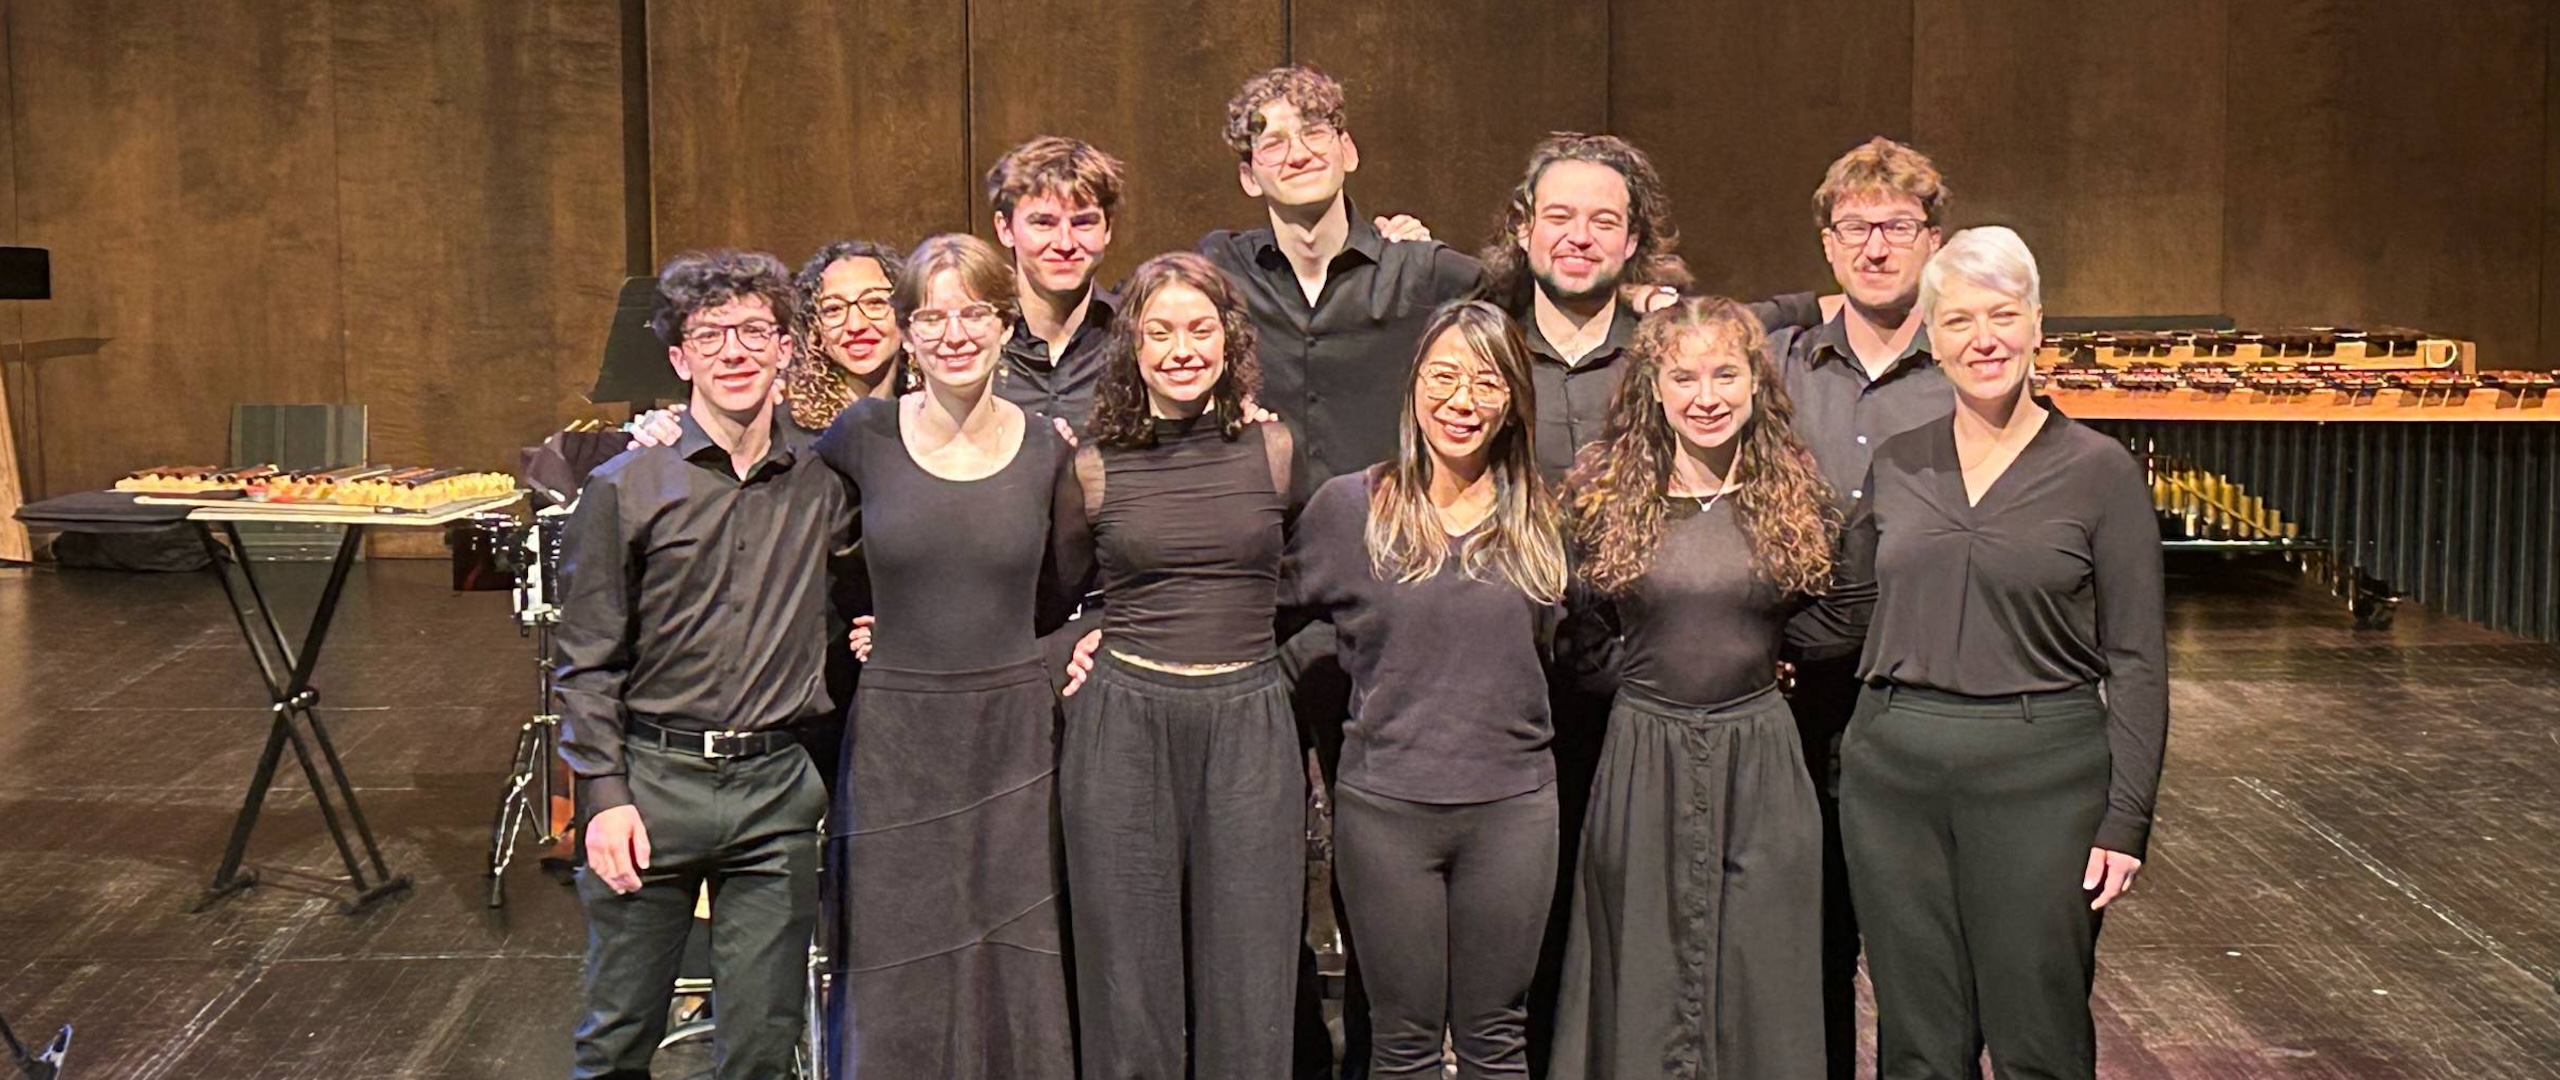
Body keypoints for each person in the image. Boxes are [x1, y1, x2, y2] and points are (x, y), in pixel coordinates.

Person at [1199, 64, 1488, 1079]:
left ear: (1349, 150)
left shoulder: (1425, 273)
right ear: (1249, 173)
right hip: (1256, 602)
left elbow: (1545, 297)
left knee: (1377, 863)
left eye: (1315, 131)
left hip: (1389, 604)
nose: (1297, 151)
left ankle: (1379, 1061)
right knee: (1256, 857)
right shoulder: (1215, 273)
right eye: (1271, 141)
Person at [1840, 226, 2165, 1080]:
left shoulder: (2100, 472)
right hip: (1893, 778)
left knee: (2038, 1034)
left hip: (2042, 779)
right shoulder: (1900, 464)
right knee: (1917, 1040)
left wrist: (2127, 819)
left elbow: (2137, 657)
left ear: (2037, 325)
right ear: (1931, 337)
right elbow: (1841, 610)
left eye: (2003, 315)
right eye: (1958, 321)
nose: (1983, 339)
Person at [1548, 296, 1868, 1080]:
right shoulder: (1604, 497)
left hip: (1760, 756)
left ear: (1756, 382)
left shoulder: (1795, 495)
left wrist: (1774, 658)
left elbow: (1846, 608)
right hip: (1642, 756)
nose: (1706, 396)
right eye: (1684, 377)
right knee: (1646, 966)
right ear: (1653, 389)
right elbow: (1575, 625)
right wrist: (1636, 678)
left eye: (1725, 374)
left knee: (1762, 966)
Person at [557, 249, 848, 1080]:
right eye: (710, 335)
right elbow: (586, 658)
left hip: (775, 794)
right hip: (654, 787)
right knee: (617, 1039)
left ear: (786, 348)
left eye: (754, 331)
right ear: (681, 359)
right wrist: (602, 796)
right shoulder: (625, 484)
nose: (734, 351)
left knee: (762, 1050)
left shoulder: (828, 477)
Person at [816, 233, 1088, 1080]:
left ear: (1006, 325)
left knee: (1016, 955)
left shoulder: (1048, 449)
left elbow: (1071, 589)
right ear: (906, 333)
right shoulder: (863, 434)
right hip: (897, 740)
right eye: (931, 318)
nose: (954, 334)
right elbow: (796, 532)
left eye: (974, 313)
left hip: (1014, 738)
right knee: (899, 955)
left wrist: (1057, 659)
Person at [1279, 300, 1570, 1079]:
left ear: (1513, 399)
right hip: (1387, 815)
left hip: (1512, 813)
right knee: (1402, 1044)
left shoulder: (1547, 514)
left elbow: (1593, 647)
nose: (1462, 400)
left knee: (1496, 1039)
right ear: (1413, 386)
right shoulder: (1351, 508)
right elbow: (1259, 618)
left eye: (1486, 382)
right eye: (1443, 376)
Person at [1050, 251, 1305, 1078]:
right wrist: (1079, 649)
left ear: (1230, 340)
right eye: (1160, 332)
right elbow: (1050, 600)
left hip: (1248, 721)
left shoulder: (1275, 450)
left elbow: (1314, 587)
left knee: (1250, 977)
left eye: (1199, 329)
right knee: (1127, 980)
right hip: (1124, 727)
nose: (1181, 350)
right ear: (1133, 345)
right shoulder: (1093, 465)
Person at [1764, 138, 1954, 1075]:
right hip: (1798, 699)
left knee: (1923, 953)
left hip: (1924, 697)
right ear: (1828, 245)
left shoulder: (1969, 364)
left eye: (1897, 227)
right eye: (1855, 228)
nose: (1876, 247)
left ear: (1933, 240)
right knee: (1813, 945)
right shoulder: (1775, 364)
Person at [988, 135, 1126, 436]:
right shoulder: (973, 341)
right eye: (1043, 223)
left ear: (1108, 229)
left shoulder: (1136, 335)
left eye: (1083, 222)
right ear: (1005, 229)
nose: (1065, 244)